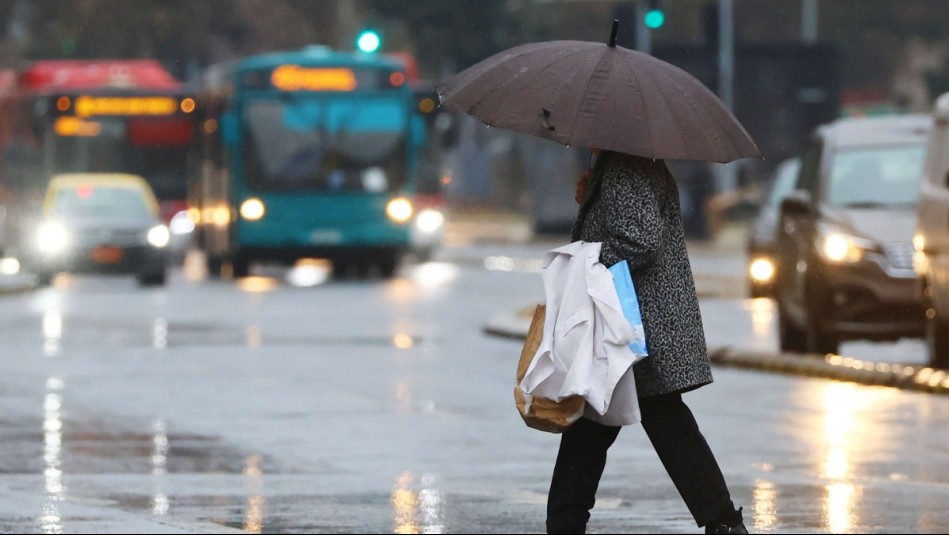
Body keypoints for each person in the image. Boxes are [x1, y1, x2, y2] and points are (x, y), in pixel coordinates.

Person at [548, 150, 748, 535]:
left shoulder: (627, 164)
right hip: (630, 323)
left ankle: (724, 522)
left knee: (616, 427)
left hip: (634, 324)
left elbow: (637, 239)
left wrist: (585, 260)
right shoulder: (625, 162)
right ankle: (724, 522)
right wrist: (593, 201)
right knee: (622, 427)